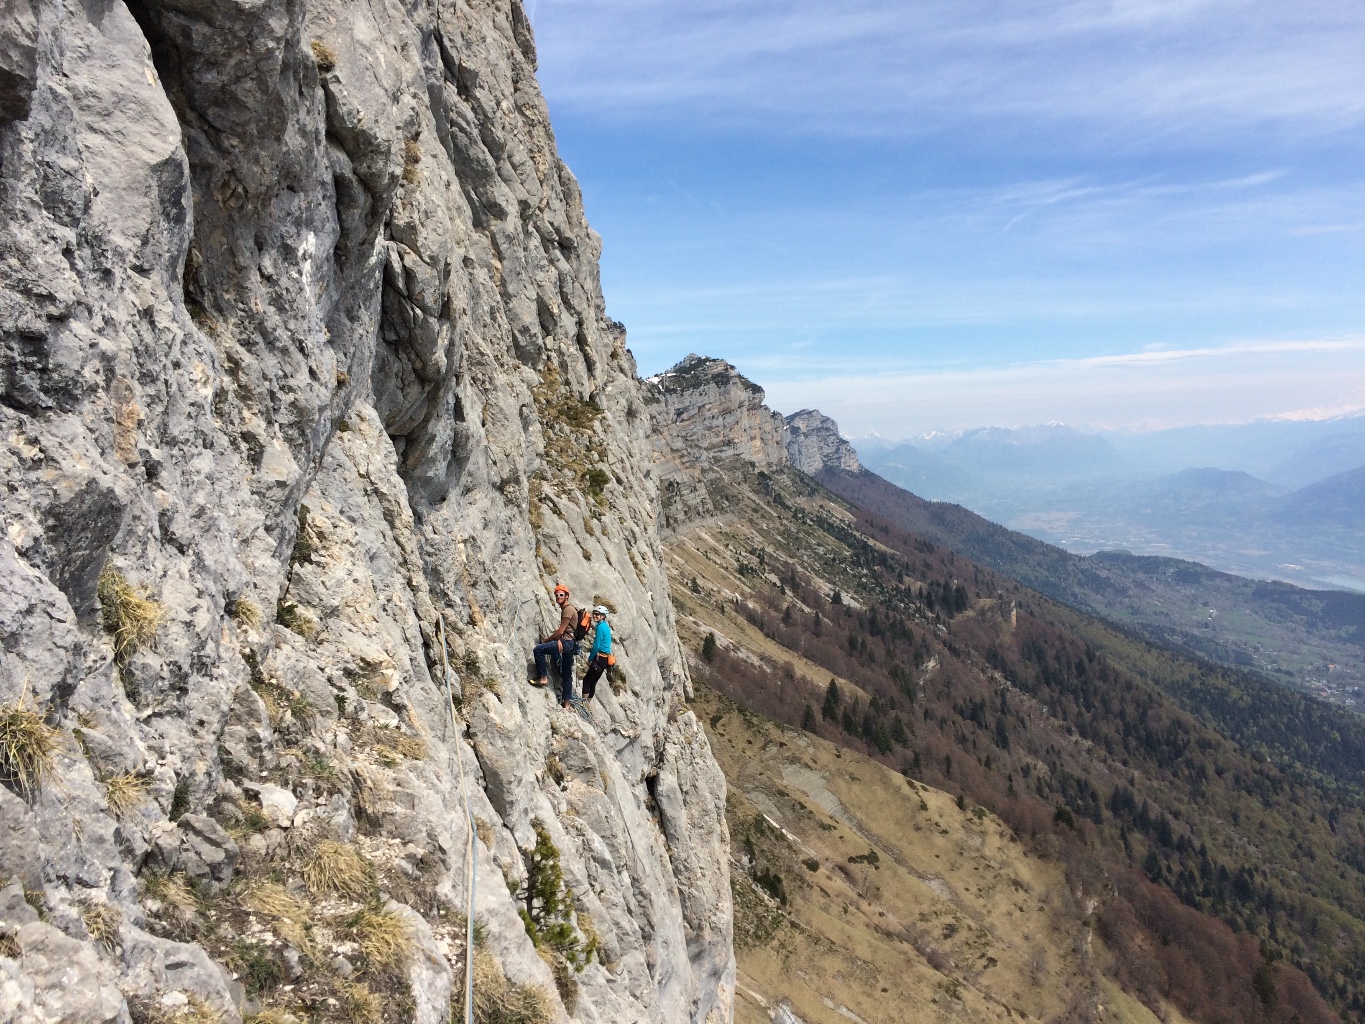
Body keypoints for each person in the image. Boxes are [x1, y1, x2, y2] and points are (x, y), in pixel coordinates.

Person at [532, 585, 578, 707]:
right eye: (557, 595)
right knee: (567, 673)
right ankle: (566, 703)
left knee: (538, 650)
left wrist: (547, 640)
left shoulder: (568, 610)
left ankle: (542, 678)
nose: (558, 597)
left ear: (567, 596)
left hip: (566, 643)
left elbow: (560, 631)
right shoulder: (569, 609)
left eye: (561, 595)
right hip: (570, 644)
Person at [581, 605, 613, 701]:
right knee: (593, 682)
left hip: (599, 658)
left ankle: (584, 704)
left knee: (586, 681)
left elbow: (597, 646)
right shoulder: (605, 626)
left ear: (603, 616)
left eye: (597, 614)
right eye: (594, 614)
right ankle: (588, 704)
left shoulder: (600, 628)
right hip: (605, 659)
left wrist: (590, 659)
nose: (594, 616)